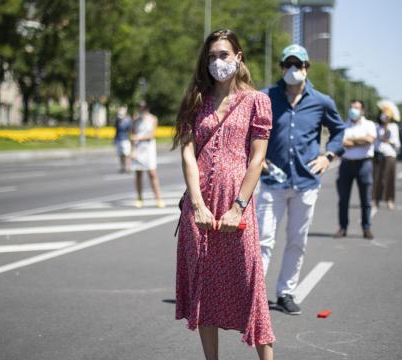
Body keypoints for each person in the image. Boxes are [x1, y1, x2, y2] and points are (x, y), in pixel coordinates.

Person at [173, 29, 275, 360]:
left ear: (238, 57)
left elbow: (257, 158)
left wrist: (239, 207)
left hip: (236, 203)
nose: (217, 61)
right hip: (199, 207)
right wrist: (198, 206)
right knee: (204, 287)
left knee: (250, 285)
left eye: (223, 55)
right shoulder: (195, 100)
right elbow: (188, 154)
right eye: (212, 56)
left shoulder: (256, 101)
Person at [257, 44, 346, 316]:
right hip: (271, 181)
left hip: (306, 183)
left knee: (297, 240)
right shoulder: (265, 97)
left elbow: (339, 130)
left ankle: (285, 292)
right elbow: (247, 128)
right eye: (289, 64)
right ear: (282, 68)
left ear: (307, 68)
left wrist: (328, 157)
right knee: (262, 239)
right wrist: (256, 158)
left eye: (299, 65)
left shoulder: (321, 101)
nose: (294, 70)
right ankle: (254, 294)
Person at [334, 100, 376, 240]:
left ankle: (366, 227)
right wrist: (360, 141)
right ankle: (343, 227)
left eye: (357, 108)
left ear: (362, 111)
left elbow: (370, 139)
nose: (354, 110)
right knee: (343, 199)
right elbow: (341, 142)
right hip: (346, 164)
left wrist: (352, 140)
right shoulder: (343, 125)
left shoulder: (369, 124)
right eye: (352, 108)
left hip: (364, 164)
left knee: (366, 199)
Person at [131, 102, 165, 209]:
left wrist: (138, 138)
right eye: (140, 107)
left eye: (144, 107)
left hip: (148, 149)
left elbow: (152, 134)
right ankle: (139, 198)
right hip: (138, 149)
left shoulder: (153, 119)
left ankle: (158, 198)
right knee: (138, 174)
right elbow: (132, 135)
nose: (142, 109)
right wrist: (132, 150)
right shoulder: (135, 120)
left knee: (152, 174)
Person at [372, 103, 400, 210]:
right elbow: (374, 140)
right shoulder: (376, 126)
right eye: (384, 115)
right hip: (378, 154)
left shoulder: (394, 127)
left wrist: (387, 139)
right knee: (376, 178)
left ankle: (390, 199)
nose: (385, 117)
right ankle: (375, 200)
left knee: (389, 178)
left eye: (387, 115)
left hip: (390, 155)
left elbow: (396, 143)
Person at [113, 106, 132, 173]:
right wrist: (114, 139)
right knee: (120, 154)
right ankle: (122, 167)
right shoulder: (117, 121)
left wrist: (131, 139)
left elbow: (130, 130)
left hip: (126, 139)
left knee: (127, 154)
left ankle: (128, 167)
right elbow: (116, 130)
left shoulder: (128, 120)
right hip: (119, 139)